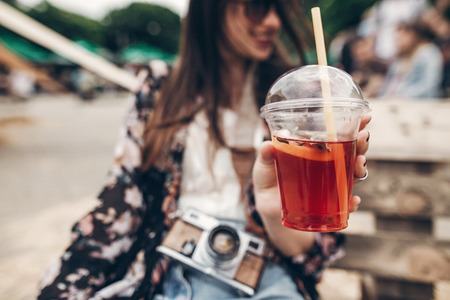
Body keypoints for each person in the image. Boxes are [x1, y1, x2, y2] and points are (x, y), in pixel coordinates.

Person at [38, 0, 371, 299]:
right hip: (175, 265)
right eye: (257, 6)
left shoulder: (294, 95)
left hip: (267, 270)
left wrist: (274, 215)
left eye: (278, 9)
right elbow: (123, 199)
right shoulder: (160, 87)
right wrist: (66, 286)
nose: (273, 22)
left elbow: (311, 256)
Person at [377, 20, 444, 99]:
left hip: (421, 104)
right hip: (394, 102)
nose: (398, 42)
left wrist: (403, 96)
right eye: (396, 39)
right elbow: (387, 85)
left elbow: (430, 85)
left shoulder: (429, 53)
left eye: (401, 38)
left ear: (413, 35)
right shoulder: (399, 59)